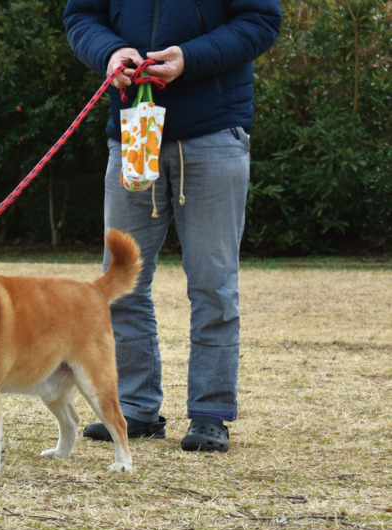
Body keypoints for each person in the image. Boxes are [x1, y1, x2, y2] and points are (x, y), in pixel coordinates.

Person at [63, 0, 281, 452]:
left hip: (214, 133)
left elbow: (260, 20)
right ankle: (136, 408)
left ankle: (210, 413)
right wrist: (110, 51)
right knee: (119, 283)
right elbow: (81, 16)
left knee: (214, 285)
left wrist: (190, 57)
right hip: (132, 133)